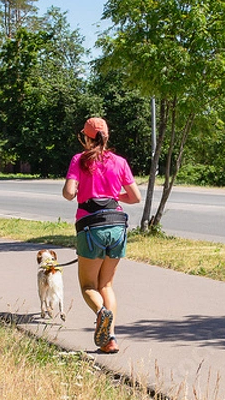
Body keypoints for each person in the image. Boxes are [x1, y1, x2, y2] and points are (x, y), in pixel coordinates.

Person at [62, 117, 142, 354]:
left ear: (86, 138)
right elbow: (136, 197)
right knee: (106, 284)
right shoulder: (120, 162)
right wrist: (114, 196)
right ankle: (110, 340)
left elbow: (68, 193)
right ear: (106, 137)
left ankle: (101, 313)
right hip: (117, 226)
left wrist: (76, 188)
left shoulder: (79, 160)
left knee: (88, 286)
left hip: (91, 227)